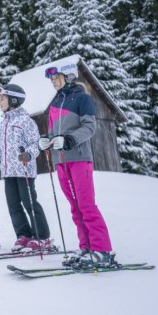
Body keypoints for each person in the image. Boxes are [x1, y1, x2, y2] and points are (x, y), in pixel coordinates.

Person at [39, 66, 114, 268]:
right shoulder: (54, 103)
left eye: (57, 77)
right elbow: (54, 131)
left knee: (86, 205)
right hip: (60, 161)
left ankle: (101, 250)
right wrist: (46, 141)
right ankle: (87, 247)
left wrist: (70, 140)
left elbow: (90, 127)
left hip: (79, 158)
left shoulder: (82, 98)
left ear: (68, 76)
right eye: (51, 79)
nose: (54, 82)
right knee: (75, 207)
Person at [0, 84, 53, 251]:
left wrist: (29, 154)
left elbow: (36, 144)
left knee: (29, 203)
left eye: (2, 99)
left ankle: (43, 237)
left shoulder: (26, 121)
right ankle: (24, 235)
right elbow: (2, 152)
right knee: (13, 205)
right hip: (8, 172)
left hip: (24, 170)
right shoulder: (3, 124)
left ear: (14, 100)